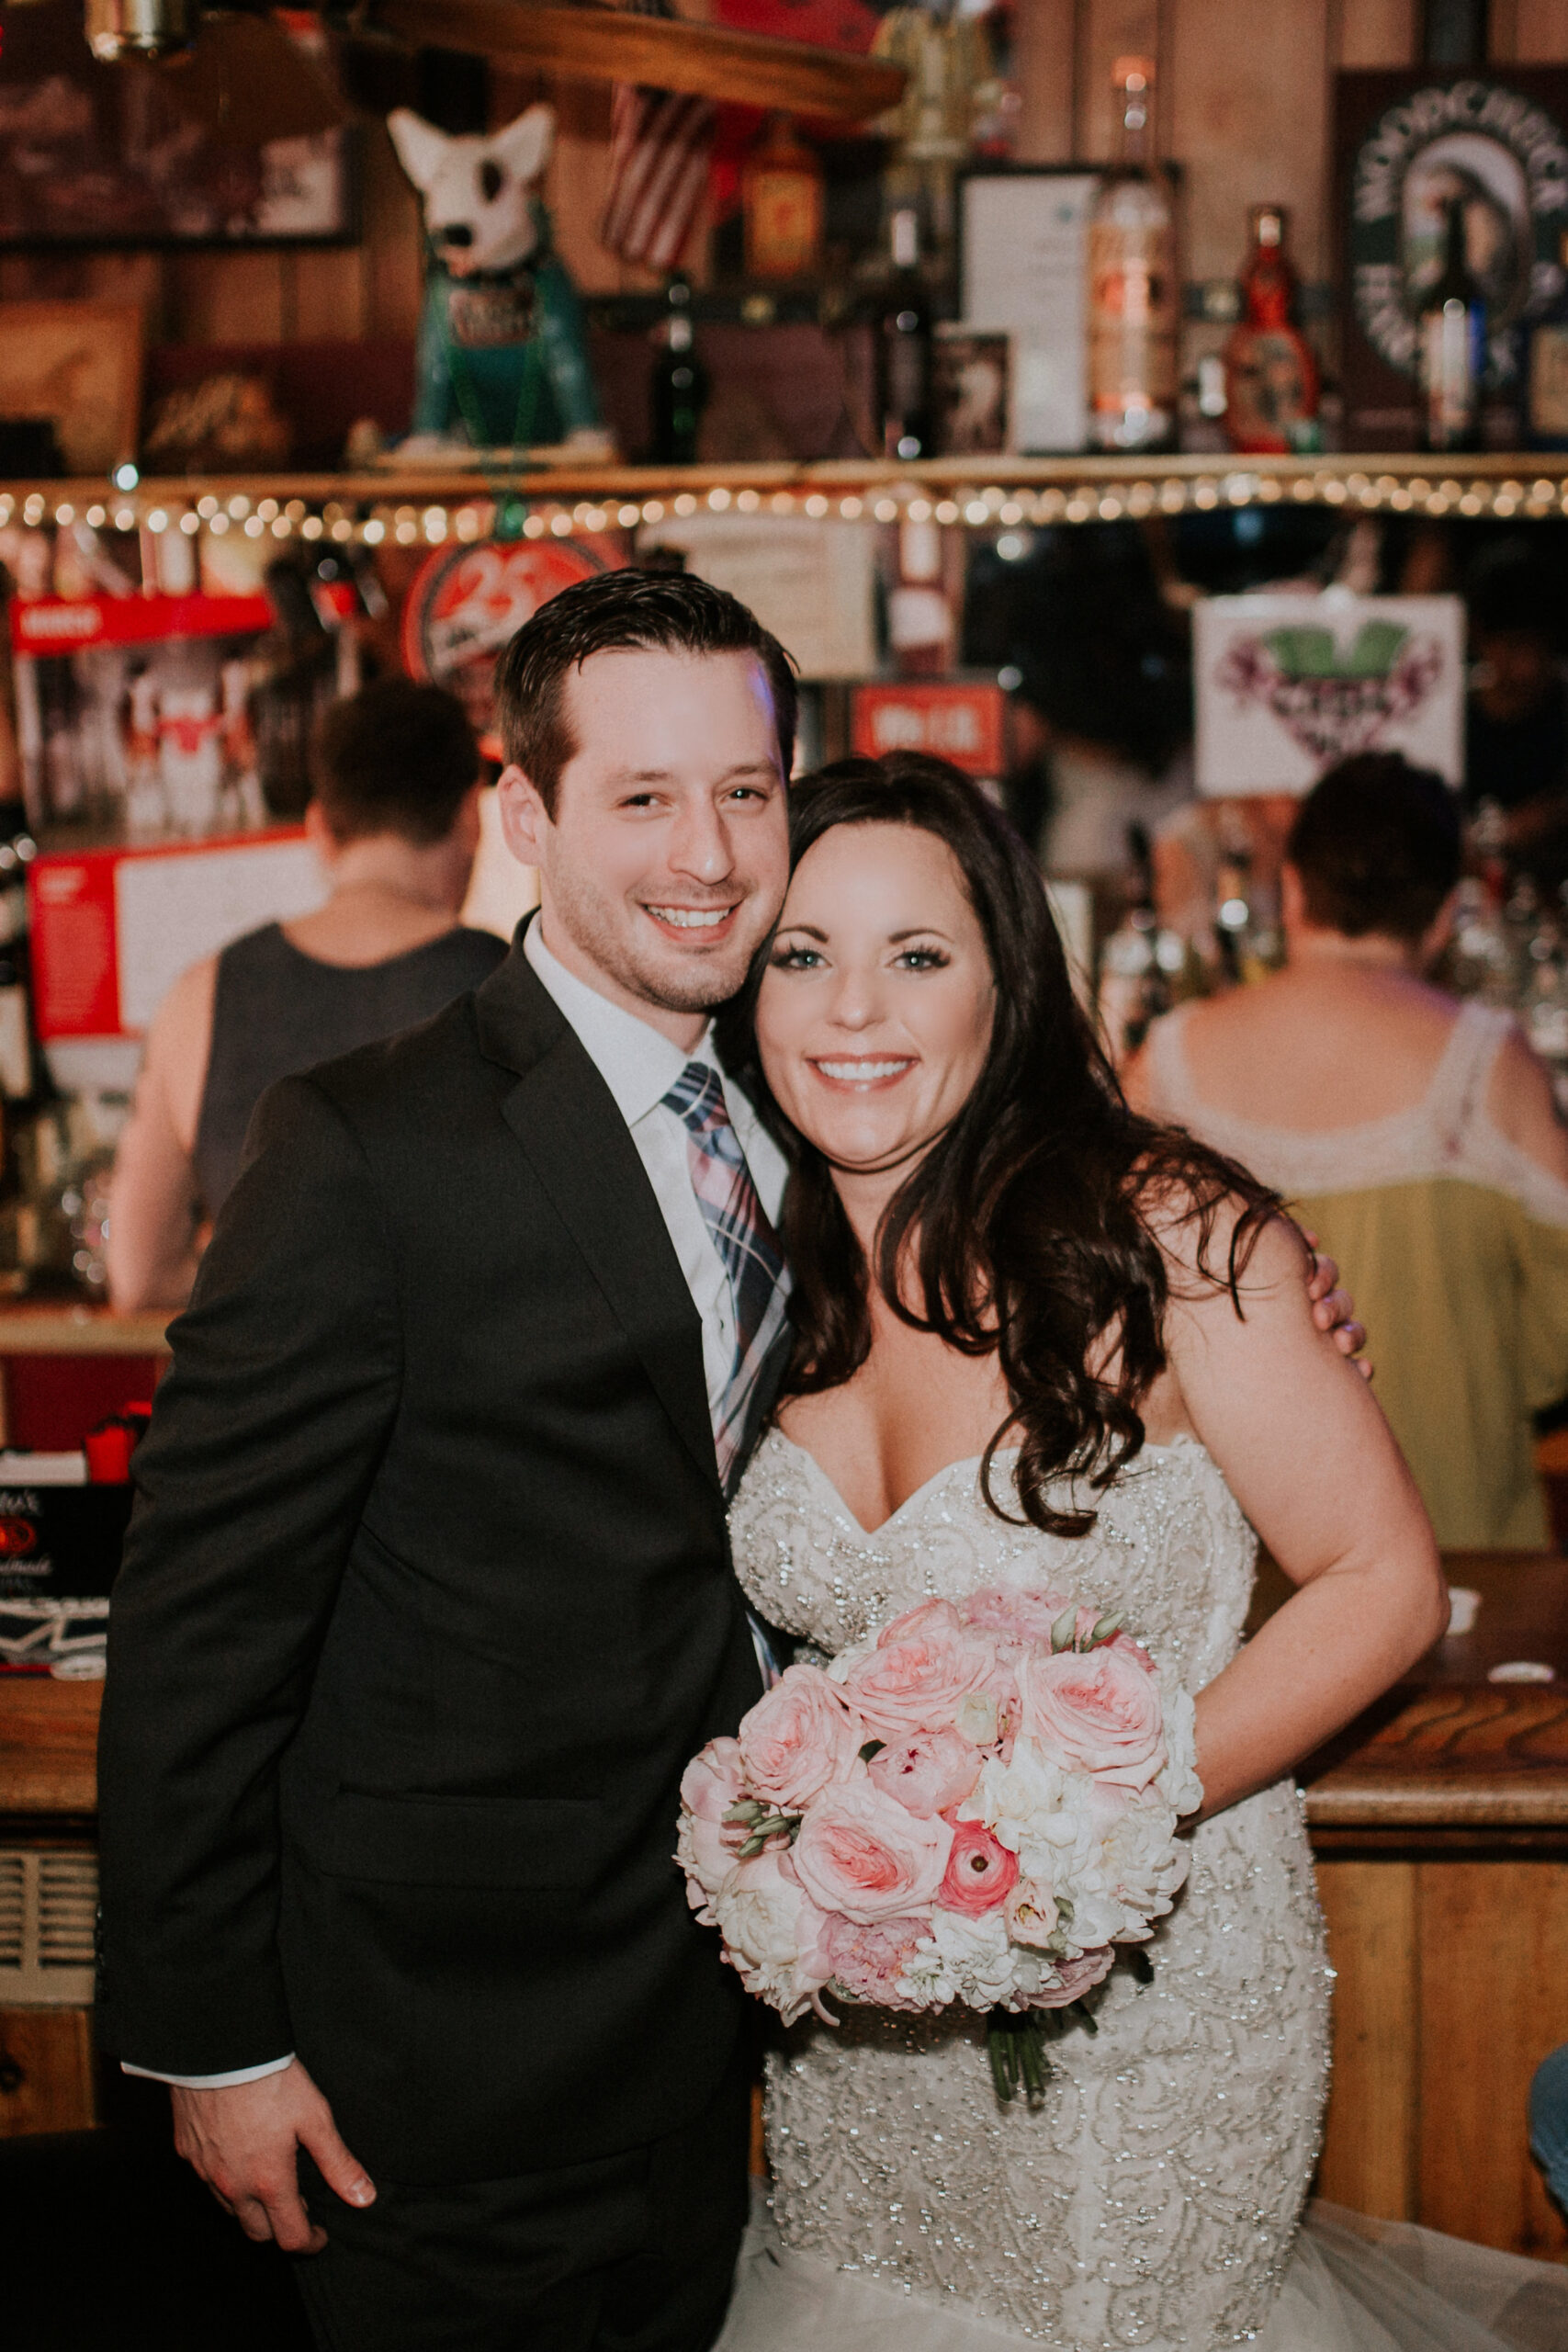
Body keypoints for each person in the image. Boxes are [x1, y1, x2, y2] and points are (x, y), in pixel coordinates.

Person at [96, 578, 1361, 2352]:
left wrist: (1265, 1316)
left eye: (744, 793)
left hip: (730, 2053)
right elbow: (199, 1619)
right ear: (523, 815)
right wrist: (215, 2040)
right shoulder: (366, 1146)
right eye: (642, 797)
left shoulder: (815, 1104)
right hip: (433, 2066)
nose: (705, 854)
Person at [712, 752, 1568, 2351]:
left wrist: (1084, 1830)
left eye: (916, 954)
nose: (852, 1010)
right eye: (800, 954)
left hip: (1151, 2002)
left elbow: (1379, 1583)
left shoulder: (1162, 1230)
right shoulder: (747, 1264)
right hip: (860, 2042)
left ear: (1006, 985)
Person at [1127, 752, 1568, 1549]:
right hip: (1450, 1544)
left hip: (1230, 1560)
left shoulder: (1166, 1060)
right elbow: (1559, 1323)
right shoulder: (1487, 1062)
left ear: (1293, 890)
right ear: (1444, 914)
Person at [107, 677, 506, 1311]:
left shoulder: (200, 996)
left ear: (319, 828)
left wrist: (268, 1289)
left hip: (272, 1373)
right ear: (469, 817)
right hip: (473, 1372)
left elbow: (139, 1276)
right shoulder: (518, 988)